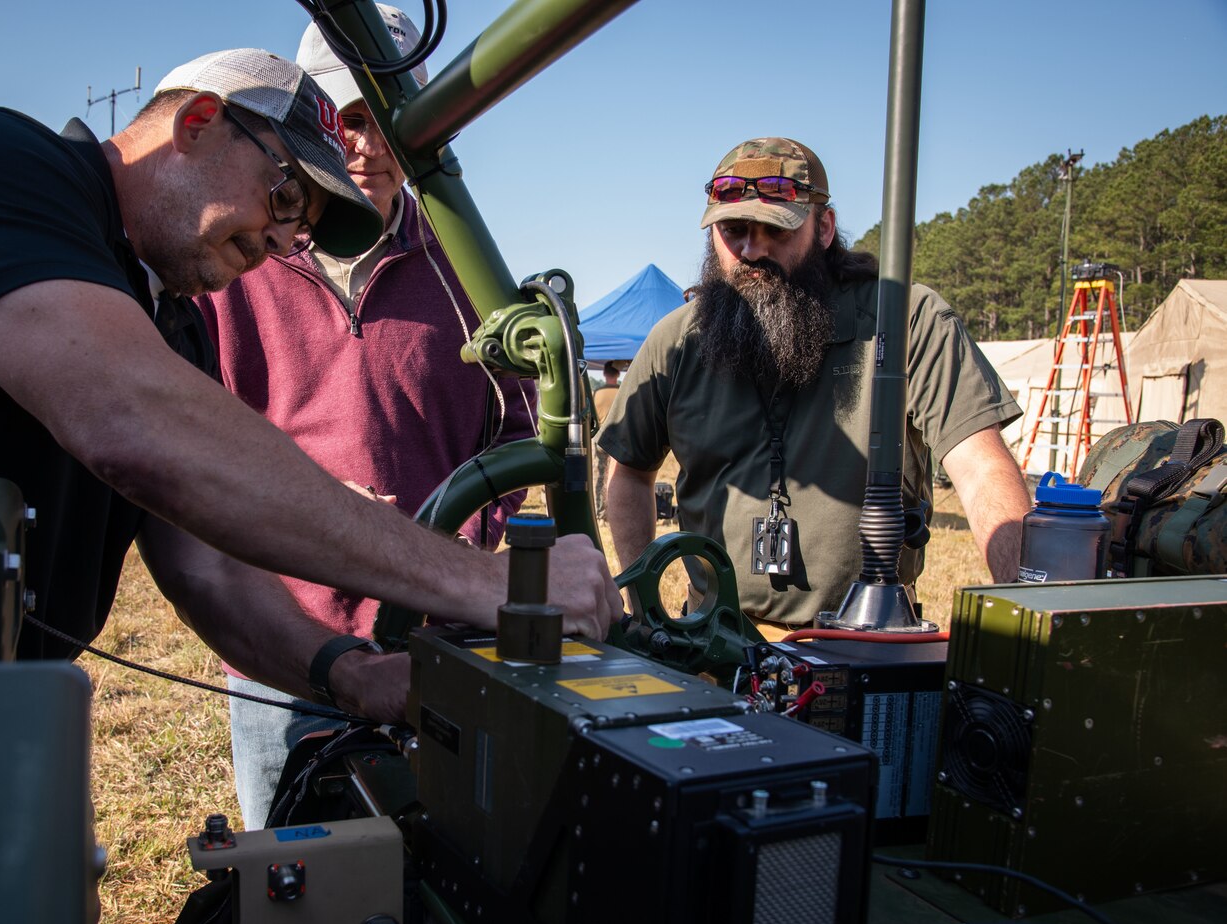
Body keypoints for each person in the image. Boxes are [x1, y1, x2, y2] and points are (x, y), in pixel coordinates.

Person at [0, 49, 620, 716]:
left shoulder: (164, 319)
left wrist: (348, 673)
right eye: (285, 198)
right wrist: (491, 586)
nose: (278, 244)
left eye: (301, 230)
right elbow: (133, 422)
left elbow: (207, 568)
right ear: (201, 122)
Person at [194, 9, 538, 826]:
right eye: (350, 119)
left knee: (440, 871)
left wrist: (454, 533)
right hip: (291, 646)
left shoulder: (468, 270)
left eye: (391, 121)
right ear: (310, 120)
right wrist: (318, 504)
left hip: (436, 641)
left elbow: (518, 436)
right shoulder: (243, 261)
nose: (372, 146)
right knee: (297, 875)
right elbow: (202, 436)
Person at [600, 137, 1029, 637]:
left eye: (774, 230)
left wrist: (1027, 620)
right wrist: (644, 606)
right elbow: (628, 472)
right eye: (733, 230)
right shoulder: (675, 340)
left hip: (862, 645)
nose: (750, 249)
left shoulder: (905, 321)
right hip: (711, 644)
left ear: (823, 228)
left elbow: (980, 469)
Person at [591, 362, 621, 520]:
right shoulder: (622, 392)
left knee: (599, 476)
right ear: (618, 374)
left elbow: (591, 418)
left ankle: (599, 511)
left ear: (604, 374)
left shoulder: (597, 393)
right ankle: (615, 512)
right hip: (619, 439)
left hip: (600, 438)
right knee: (620, 476)